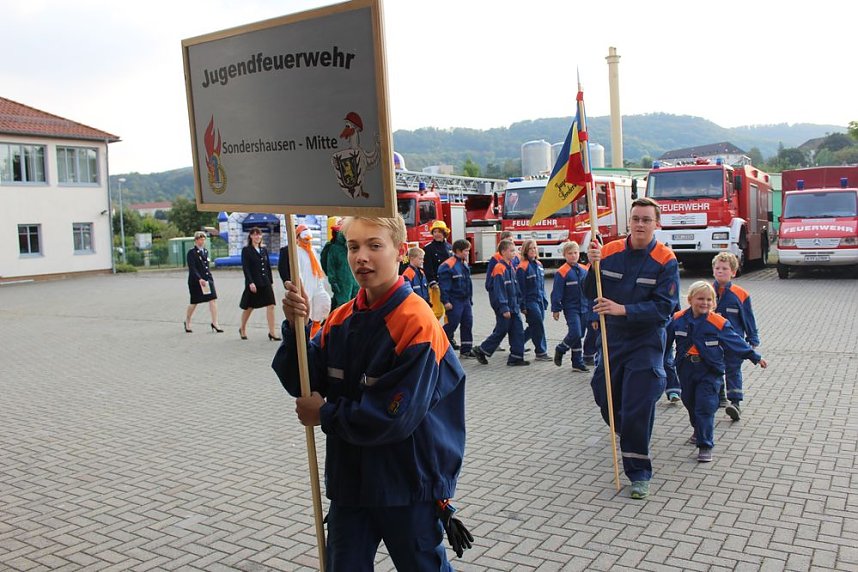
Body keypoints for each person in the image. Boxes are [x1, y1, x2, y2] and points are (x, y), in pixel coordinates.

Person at [272, 215, 469, 570]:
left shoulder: (416, 323)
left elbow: (395, 417)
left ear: (401, 252)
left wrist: (326, 414)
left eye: (374, 245)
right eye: (353, 246)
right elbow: (303, 381)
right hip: (352, 481)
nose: (361, 256)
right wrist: (296, 328)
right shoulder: (339, 319)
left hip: (406, 484)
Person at [585, 197, 680, 500]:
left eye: (646, 220)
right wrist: (592, 266)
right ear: (629, 220)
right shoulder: (609, 251)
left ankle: (639, 473)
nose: (640, 224)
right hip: (613, 341)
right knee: (605, 396)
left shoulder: (666, 260)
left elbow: (664, 309)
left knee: (638, 405)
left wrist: (622, 309)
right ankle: (631, 436)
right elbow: (591, 291)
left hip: (646, 341)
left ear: (657, 224)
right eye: (636, 218)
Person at [669, 281, 767, 462]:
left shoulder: (718, 322)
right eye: (700, 299)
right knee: (690, 403)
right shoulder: (678, 319)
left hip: (709, 371)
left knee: (705, 407)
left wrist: (754, 356)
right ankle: (698, 430)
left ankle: (705, 445)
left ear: (713, 303)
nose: (704, 303)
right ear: (690, 299)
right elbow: (664, 341)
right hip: (686, 369)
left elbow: (736, 341)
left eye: (708, 300)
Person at [712, 252, 760, 421]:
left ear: (733, 272)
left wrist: (753, 339)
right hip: (711, 341)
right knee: (714, 368)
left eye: (725, 269)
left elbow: (748, 318)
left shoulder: (741, 294)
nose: (720, 271)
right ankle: (719, 397)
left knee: (732, 370)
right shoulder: (706, 291)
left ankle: (735, 403)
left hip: (734, 342)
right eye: (717, 268)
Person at [472, 239, 528, 366]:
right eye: (512, 250)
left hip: (513, 306)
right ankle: (481, 350)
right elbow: (499, 290)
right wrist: (504, 307)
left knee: (517, 330)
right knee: (501, 330)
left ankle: (516, 357)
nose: (514, 253)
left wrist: (521, 305)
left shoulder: (511, 267)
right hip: (505, 307)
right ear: (503, 252)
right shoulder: (499, 268)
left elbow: (516, 288)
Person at [551, 241, 589, 371]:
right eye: (570, 253)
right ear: (564, 255)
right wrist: (556, 309)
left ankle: (577, 362)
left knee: (579, 335)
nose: (573, 256)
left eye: (575, 253)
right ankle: (561, 349)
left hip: (584, 307)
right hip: (571, 308)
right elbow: (556, 292)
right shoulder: (562, 272)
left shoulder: (584, 269)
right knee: (575, 332)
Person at [239, 227, 280, 341]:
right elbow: (246, 268)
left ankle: (272, 332)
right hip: (254, 283)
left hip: (265, 281)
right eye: (255, 235)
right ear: (251, 236)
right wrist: (250, 282)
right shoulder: (246, 250)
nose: (257, 237)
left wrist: (270, 281)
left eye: (259, 234)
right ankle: (242, 328)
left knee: (271, 305)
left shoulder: (263, 250)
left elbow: (267, 267)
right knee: (249, 307)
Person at [438, 239, 475, 359]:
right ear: (458, 251)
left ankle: (466, 350)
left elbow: (468, 283)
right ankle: (437, 344)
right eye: (466, 251)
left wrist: (470, 299)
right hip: (454, 300)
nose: (468, 253)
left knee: (467, 323)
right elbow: (444, 286)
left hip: (465, 300)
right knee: (452, 324)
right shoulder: (447, 266)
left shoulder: (463, 264)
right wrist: (446, 301)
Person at [295, 225, 332, 337]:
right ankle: (304, 334)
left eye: (308, 239)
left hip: (316, 285)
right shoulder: (297, 252)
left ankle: (316, 327)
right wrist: (301, 288)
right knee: (307, 312)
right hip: (305, 287)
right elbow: (298, 272)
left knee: (324, 302)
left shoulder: (312, 251)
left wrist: (320, 284)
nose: (307, 241)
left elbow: (318, 269)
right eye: (305, 239)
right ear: (298, 238)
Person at [517, 239, 551, 361]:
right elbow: (520, 289)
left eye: (535, 248)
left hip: (539, 300)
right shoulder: (522, 267)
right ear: (525, 251)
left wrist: (545, 299)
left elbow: (541, 285)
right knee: (538, 325)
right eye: (531, 248)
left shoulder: (539, 265)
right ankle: (541, 352)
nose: (533, 250)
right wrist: (523, 305)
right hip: (530, 301)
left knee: (534, 326)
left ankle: (518, 344)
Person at [184, 231, 222, 333]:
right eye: (200, 239)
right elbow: (192, 268)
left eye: (203, 239)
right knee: (194, 302)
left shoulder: (205, 251)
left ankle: (215, 323)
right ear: (196, 240)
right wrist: (199, 278)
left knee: (213, 299)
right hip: (196, 281)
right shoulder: (191, 253)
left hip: (207, 280)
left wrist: (209, 278)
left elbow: (206, 267)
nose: (202, 241)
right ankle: (187, 321)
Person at [322, 220, 360, 310]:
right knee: (343, 304)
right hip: (342, 282)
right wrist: (333, 281)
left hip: (355, 281)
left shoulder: (352, 247)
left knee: (356, 302)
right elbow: (330, 267)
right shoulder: (334, 248)